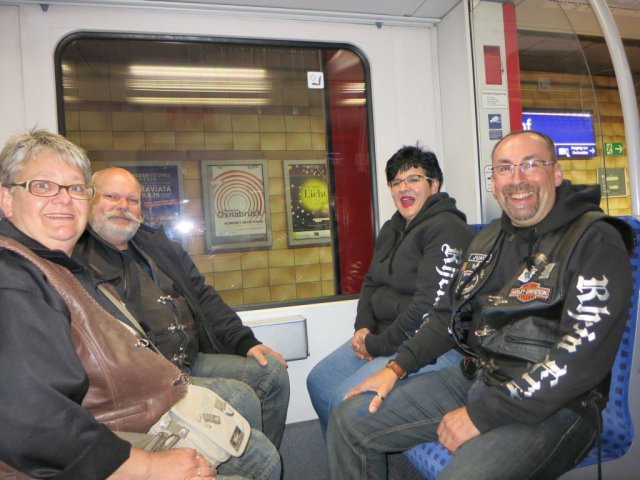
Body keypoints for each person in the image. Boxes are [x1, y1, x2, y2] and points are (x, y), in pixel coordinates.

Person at [326, 130, 635, 479]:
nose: (516, 179)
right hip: (480, 376)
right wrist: (396, 368)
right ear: (493, 181)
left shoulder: (595, 240)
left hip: (558, 402)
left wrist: (481, 415)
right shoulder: (488, 240)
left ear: (557, 173)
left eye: (530, 164)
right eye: (504, 168)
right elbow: (448, 316)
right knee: (350, 421)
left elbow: (580, 357)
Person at [0, 129, 280, 480]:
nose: (64, 199)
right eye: (43, 186)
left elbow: (202, 294)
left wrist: (243, 340)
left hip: (161, 376)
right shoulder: (16, 279)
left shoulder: (80, 259)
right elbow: (33, 422)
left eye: (75, 188)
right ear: (6, 199)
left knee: (268, 379)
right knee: (253, 447)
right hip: (92, 429)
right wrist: (149, 465)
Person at [73, 166, 290, 449]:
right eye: (112, 197)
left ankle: (259, 457)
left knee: (272, 373)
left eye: (132, 200)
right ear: (89, 200)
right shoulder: (77, 260)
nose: (123, 206)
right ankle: (253, 461)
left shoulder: (158, 246)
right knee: (240, 397)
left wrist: (245, 342)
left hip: (190, 359)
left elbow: (203, 297)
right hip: (149, 380)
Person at [306, 145, 475, 436]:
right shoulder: (391, 228)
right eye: (396, 182)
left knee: (344, 401)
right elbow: (371, 282)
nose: (403, 188)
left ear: (434, 185)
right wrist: (363, 329)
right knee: (319, 382)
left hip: (424, 344)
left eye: (413, 179)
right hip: (382, 337)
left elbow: (428, 309)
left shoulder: (448, 228)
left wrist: (376, 346)